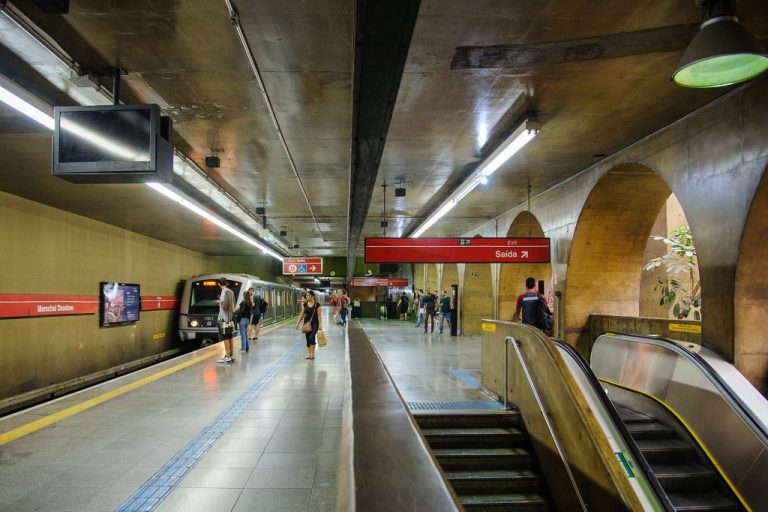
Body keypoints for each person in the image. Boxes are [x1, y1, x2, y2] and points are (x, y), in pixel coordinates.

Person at [296, 290, 323, 360]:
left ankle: (312, 354)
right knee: (307, 339)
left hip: (315, 323)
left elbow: (319, 316)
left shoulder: (317, 305)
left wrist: (320, 324)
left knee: (312, 337)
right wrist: (298, 323)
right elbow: (302, 314)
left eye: (308, 295)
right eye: (306, 295)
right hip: (306, 323)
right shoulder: (305, 304)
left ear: (312, 296)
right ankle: (309, 354)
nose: (306, 296)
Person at [215, 277, 236, 363]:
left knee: (225, 337)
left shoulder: (224, 291)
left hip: (224, 318)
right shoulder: (231, 291)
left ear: (219, 284)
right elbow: (233, 304)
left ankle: (227, 357)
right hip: (230, 318)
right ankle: (231, 355)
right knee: (230, 336)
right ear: (226, 283)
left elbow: (224, 305)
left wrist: (218, 302)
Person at [237, 288, 255, 352]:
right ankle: (247, 347)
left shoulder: (243, 302)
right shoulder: (250, 303)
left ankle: (243, 349)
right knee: (245, 334)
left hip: (242, 320)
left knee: (243, 335)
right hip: (247, 320)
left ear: (244, 296)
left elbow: (237, 309)